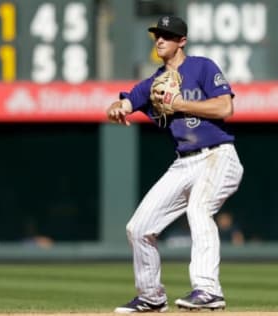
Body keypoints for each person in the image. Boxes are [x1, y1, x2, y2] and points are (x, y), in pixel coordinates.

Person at [107, 15, 244, 313]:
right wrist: (118, 108)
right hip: (183, 163)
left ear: (181, 41)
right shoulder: (153, 83)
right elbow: (127, 103)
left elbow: (226, 107)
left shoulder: (202, 67)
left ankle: (208, 289)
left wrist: (180, 103)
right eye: (157, 34)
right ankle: (151, 296)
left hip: (218, 155)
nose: (160, 40)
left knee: (199, 209)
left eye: (167, 35)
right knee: (139, 228)